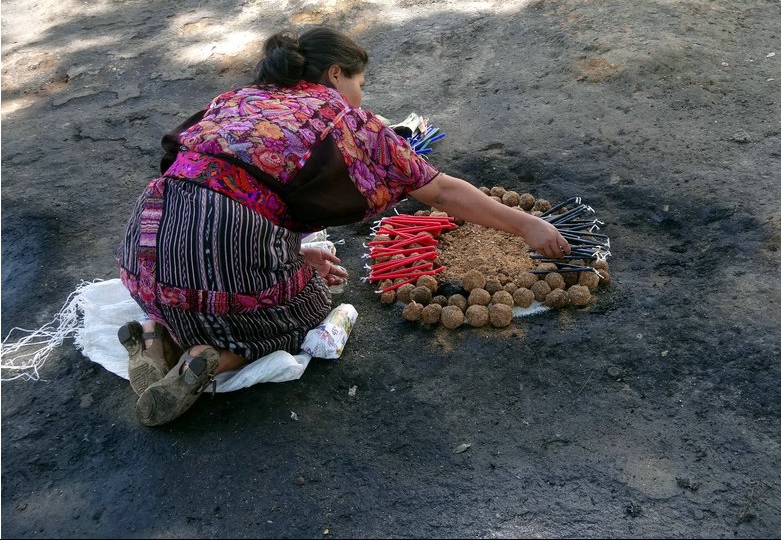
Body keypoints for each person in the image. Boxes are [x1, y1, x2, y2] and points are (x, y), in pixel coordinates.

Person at [115, 26, 571, 427]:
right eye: (361, 83)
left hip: (145, 246)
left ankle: (158, 334)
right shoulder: (343, 118)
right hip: (223, 246)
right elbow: (442, 193)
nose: (361, 96)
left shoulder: (238, 98)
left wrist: (297, 253)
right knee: (305, 314)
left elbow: (225, 184)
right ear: (336, 74)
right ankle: (206, 361)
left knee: (197, 293)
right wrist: (528, 225)